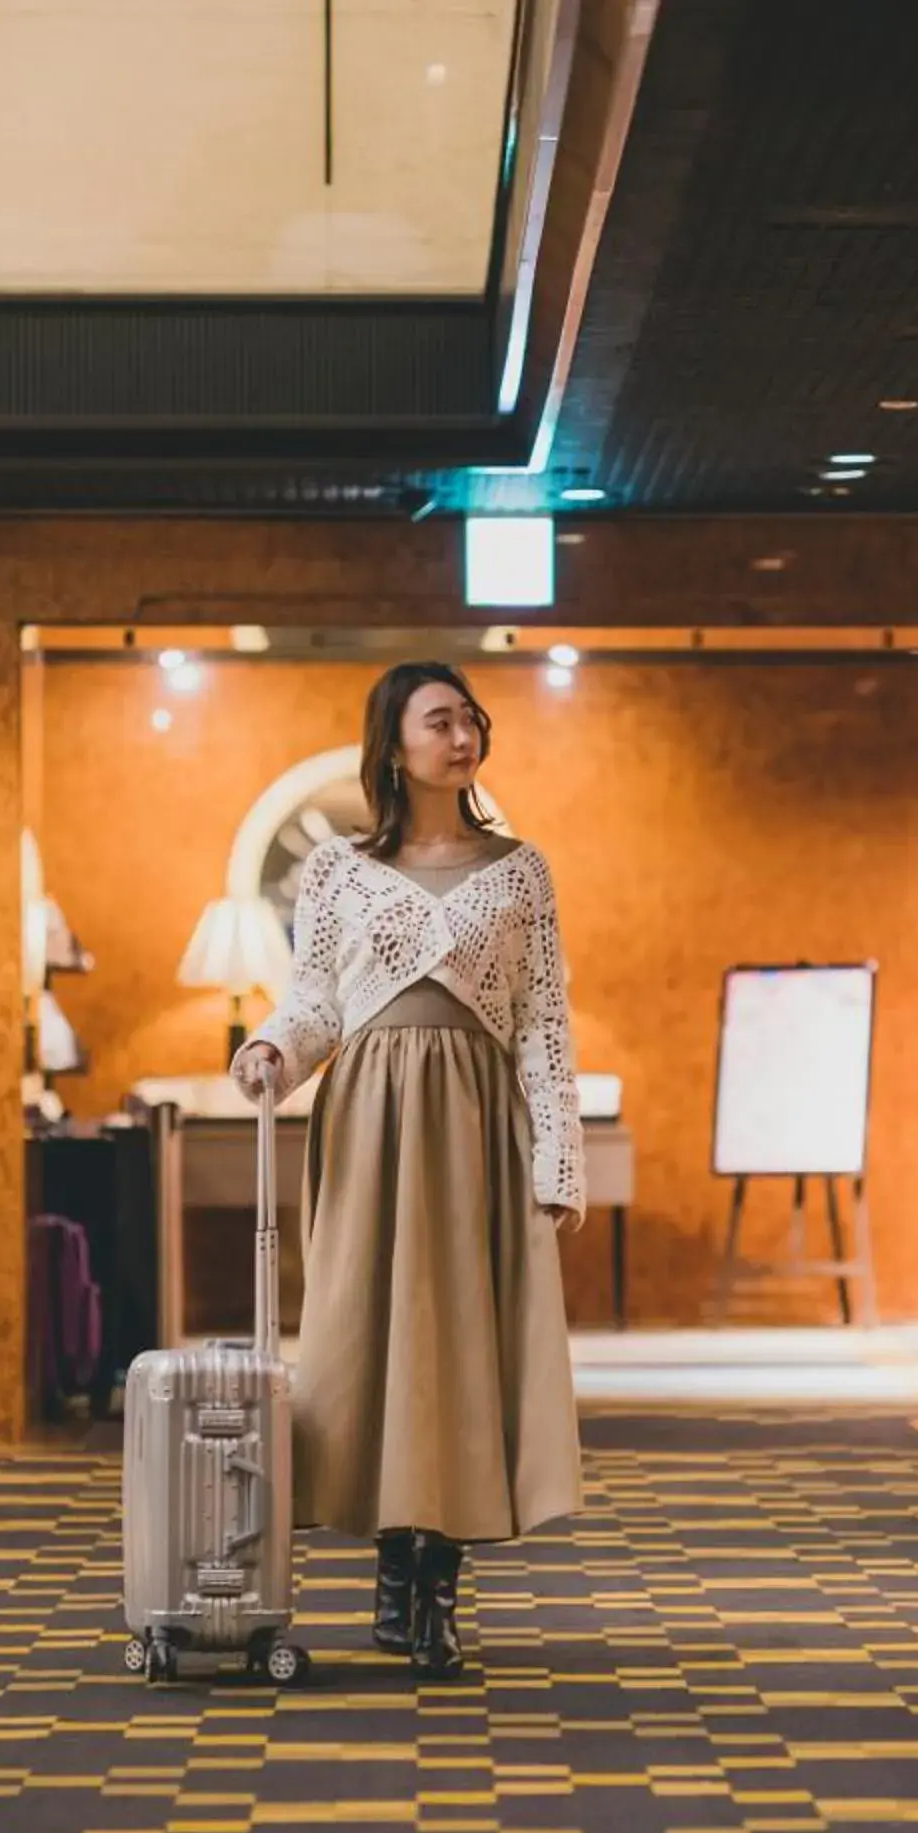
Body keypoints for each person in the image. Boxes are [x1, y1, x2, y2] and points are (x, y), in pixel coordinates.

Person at [230, 661, 584, 1677]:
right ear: (395, 743)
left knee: (467, 1345)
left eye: (472, 717)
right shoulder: (341, 870)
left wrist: (556, 1155)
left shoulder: (521, 870)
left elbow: (543, 1020)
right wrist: (272, 1054)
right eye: (442, 720)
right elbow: (314, 1006)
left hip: (477, 1124)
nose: (463, 733)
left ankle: (438, 1583)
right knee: (372, 1337)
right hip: (372, 1120)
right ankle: (393, 1566)